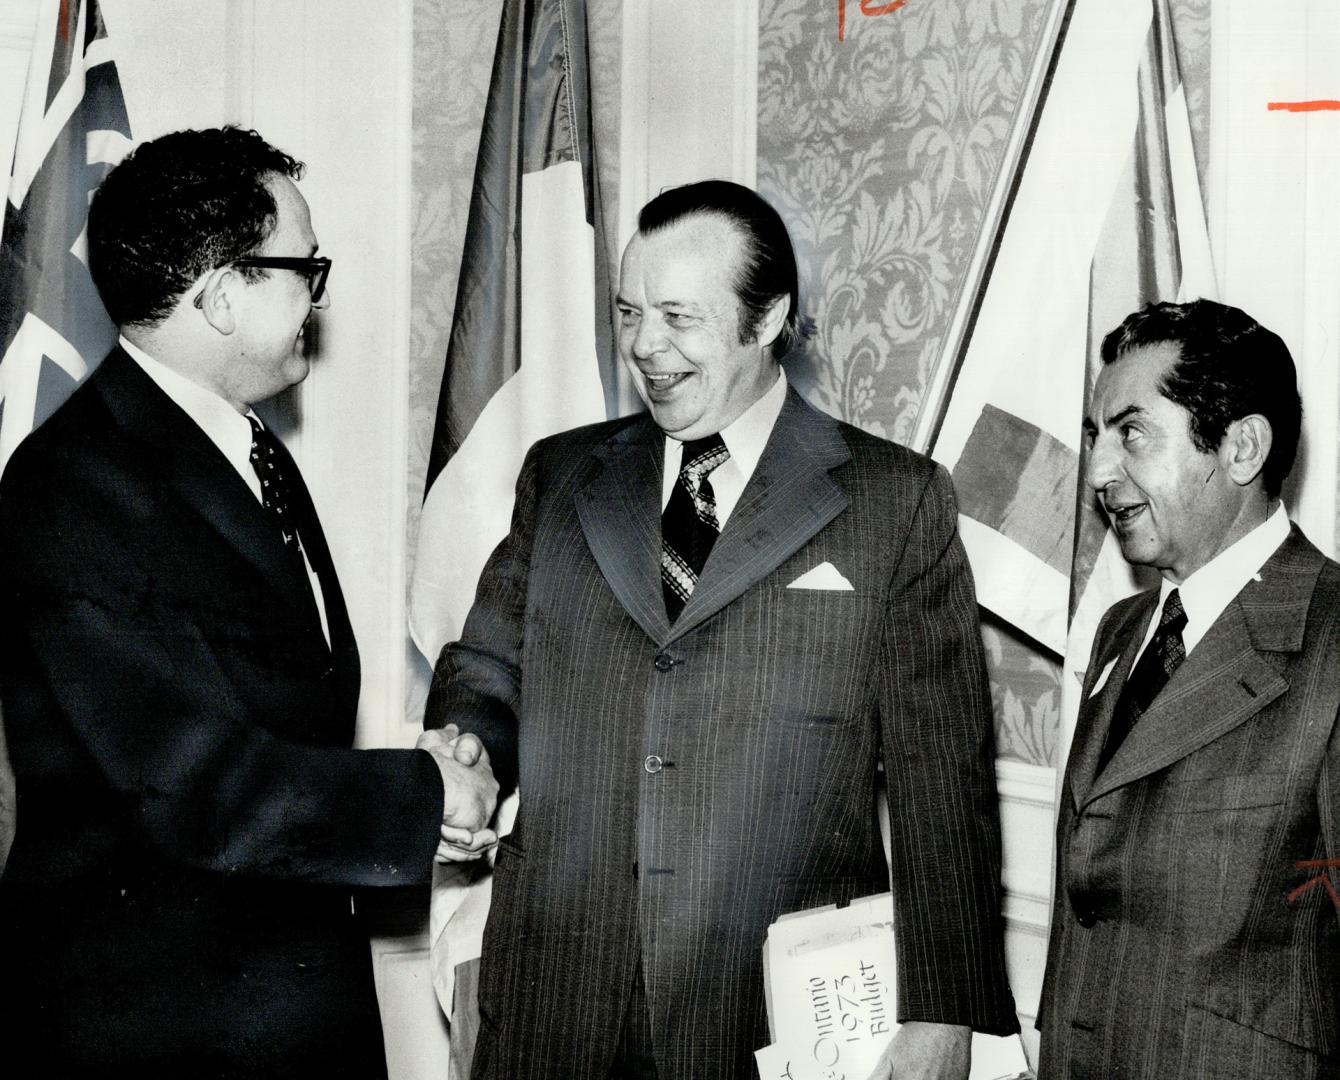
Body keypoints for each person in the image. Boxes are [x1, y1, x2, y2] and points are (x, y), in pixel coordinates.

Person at [426, 179, 1018, 1080]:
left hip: (769, 1016)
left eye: (678, 317)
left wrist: (945, 1011)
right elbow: (488, 665)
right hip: (554, 1000)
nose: (644, 348)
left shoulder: (895, 502)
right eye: (629, 312)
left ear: (768, 316)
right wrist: (466, 746)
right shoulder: (562, 473)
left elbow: (945, 782)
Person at [0, 126, 497, 1078]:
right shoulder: (75, 487)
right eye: (303, 264)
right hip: (153, 1033)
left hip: (279, 1006)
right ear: (224, 296)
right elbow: (196, 784)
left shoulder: (242, 451)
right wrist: (426, 793)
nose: (318, 291)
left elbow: (278, 715)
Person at [1039, 299, 1339, 1078]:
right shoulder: (1121, 628)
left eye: (1132, 432)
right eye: (1096, 438)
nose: (1100, 472)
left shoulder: (1334, 639)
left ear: (1241, 447)